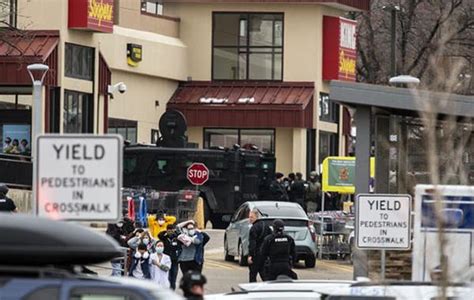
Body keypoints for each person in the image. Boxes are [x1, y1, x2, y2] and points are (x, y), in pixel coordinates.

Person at [248, 208, 272, 282]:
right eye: (249, 217)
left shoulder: (253, 228)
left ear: (256, 217)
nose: (250, 219)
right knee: (264, 274)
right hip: (265, 254)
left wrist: (250, 255)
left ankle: (252, 290)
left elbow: (252, 243)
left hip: (256, 254)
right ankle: (268, 289)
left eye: (252, 217)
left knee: (253, 274)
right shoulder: (266, 226)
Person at [158, 224, 181, 290]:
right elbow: (159, 235)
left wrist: (176, 232)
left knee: (174, 276)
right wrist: (165, 232)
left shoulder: (176, 237)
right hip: (166, 260)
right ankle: (167, 289)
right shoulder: (164, 237)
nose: (170, 232)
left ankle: (172, 290)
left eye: (171, 230)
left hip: (175, 260)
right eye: (169, 230)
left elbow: (181, 239)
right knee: (167, 276)